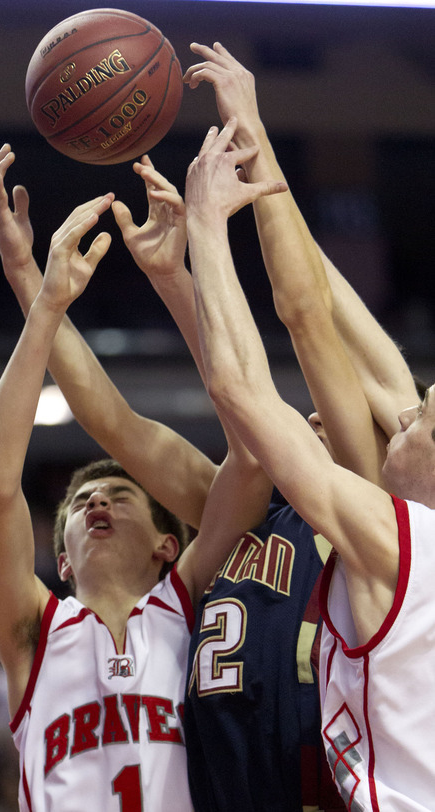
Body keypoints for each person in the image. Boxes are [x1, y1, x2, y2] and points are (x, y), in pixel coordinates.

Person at [0, 194, 277, 811]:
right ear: (61, 560)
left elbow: (252, 452)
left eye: (118, 496)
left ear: (171, 543)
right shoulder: (33, 631)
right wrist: (42, 299)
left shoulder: (190, 604)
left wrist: (174, 276)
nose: (96, 505)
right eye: (82, 502)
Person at [185, 115, 435, 811]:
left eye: (420, 419)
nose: (403, 414)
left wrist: (206, 228)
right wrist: (258, 146)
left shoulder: (408, 548)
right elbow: (316, 314)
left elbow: (241, 388)